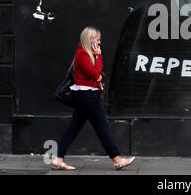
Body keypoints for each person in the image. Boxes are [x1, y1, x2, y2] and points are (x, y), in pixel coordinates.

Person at [52, 26, 135, 170]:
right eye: (98, 40)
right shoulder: (83, 54)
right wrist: (99, 56)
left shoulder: (85, 53)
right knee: (102, 128)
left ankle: (58, 160)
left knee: (73, 129)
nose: (100, 43)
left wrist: (97, 68)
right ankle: (117, 160)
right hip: (88, 97)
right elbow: (95, 74)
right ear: (90, 41)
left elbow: (99, 75)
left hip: (85, 97)